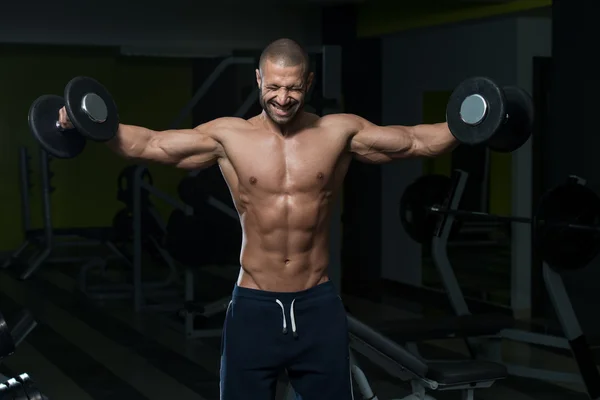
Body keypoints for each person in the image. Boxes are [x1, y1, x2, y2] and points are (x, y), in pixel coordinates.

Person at [59, 38, 457, 400]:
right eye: (273, 86)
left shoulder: (338, 133)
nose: (282, 98)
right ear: (258, 79)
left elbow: (415, 140)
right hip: (254, 308)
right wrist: (91, 124)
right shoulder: (229, 137)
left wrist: (472, 122)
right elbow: (151, 144)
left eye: (294, 88)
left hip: (317, 305)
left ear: (310, 82)